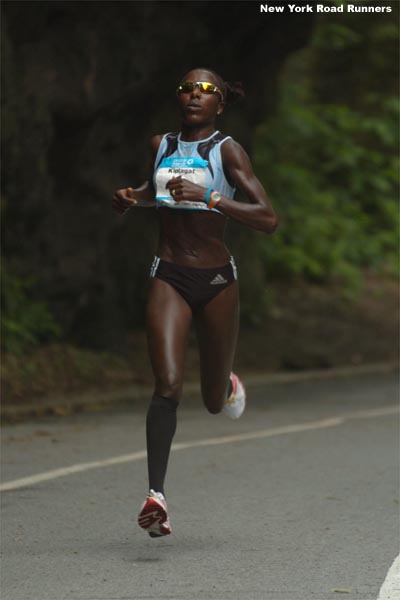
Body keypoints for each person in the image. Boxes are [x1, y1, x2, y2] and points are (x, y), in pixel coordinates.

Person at [112, 67, 278, 538]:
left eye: (206, 90)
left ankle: (224, 383)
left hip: (218, 279)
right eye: (186, 87)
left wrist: (211, 198)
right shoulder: (159, 144)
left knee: (209, 401)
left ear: (220, 104)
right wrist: (133, 198)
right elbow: (157, 191)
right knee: (166, 384)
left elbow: (267, 218)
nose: (194, 95)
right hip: (169, 274)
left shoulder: (227, 150)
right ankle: (156, 497)